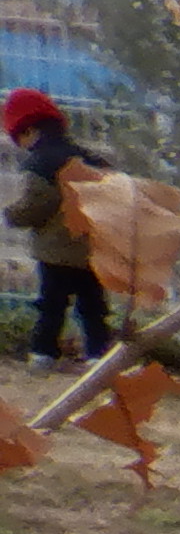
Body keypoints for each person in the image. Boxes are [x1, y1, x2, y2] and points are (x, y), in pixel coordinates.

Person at [8, 87, 109, 363]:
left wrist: (11, 216)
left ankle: (44, 353)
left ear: (30, 131)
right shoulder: (89, 159)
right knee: (93, 306)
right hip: (92, 249)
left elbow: (37, 205)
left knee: (51, 305)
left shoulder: (40, 164)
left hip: (55, 253)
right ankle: (99, 354)